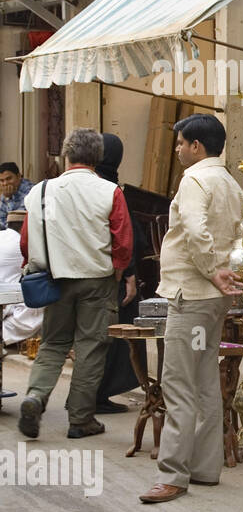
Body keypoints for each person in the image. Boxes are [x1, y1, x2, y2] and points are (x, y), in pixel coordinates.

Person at [140, 114, 243, 505]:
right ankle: (203, 466)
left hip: (194, 295)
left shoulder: (195, 179)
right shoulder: (231, 183)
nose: (178, 149)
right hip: (212, 299)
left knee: (179, 384)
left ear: (196, 146)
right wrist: (224, 275)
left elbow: (197, 230)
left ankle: (172, 475)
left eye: (181, 143)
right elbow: (239, 238)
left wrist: (212, 272)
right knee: (203, 381)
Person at [17, 130, 133, 440]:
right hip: (98, 280)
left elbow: (27, 240)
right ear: (98, 158)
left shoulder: (40, 191)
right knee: (90, 348)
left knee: (53, 344)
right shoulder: (110, 191)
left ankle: (36, 396)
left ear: (66, 156)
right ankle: (81, 420)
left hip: (54, 279)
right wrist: (119, 273)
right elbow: (122, 241)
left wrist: (34, 266)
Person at [94, 133, 146, 413]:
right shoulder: (111, 190)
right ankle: (97, 395)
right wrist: (129, 274)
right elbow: (126, 238)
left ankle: (87, 396)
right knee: (113, 337)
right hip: (113, 276)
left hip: (80, 274)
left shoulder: (86, 186)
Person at [0, 213, 42, 346]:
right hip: (5, 298)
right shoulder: (19, 242)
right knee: (40, 305)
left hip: (6, 294)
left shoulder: (3, 236)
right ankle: (4, 336)